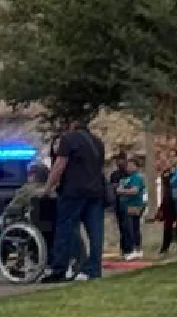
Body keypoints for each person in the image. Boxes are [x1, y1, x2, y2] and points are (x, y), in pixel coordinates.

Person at [45, 116, 107, 282]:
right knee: (95, 232)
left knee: (66, 228)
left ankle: (60, 269)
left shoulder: (68, 139)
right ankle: (93, 269)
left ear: (71, 125)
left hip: (73, 191)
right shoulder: (98, 142)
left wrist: (47, 188)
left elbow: (60, 165)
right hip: (95, 192)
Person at [116, 155, 147, 261]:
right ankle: (129, 249)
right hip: (125, 205)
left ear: (136, 166)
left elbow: (135, 190)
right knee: (127, 227)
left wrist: (122, 191)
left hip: (133, 205)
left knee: (132, 227)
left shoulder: (137, 177)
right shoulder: (126, 178)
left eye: (130, 165)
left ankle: (135, 249)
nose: (127, 167)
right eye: (127, 165)